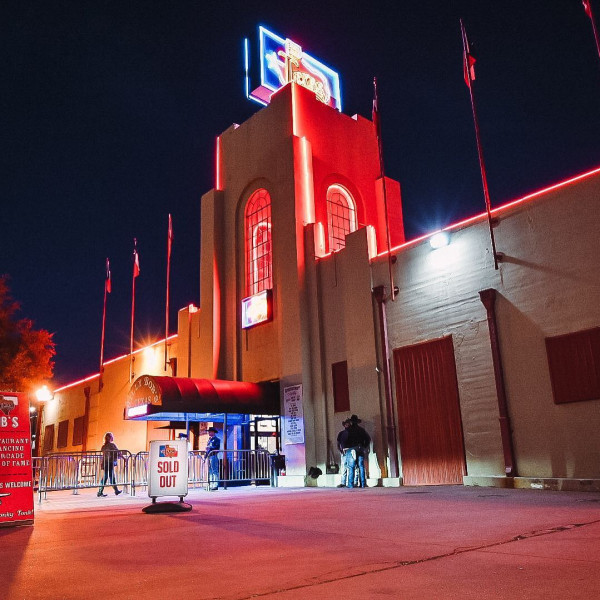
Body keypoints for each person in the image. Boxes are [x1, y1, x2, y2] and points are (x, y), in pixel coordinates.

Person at [340, 414, 371, 488]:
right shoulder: (361, 430)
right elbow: (368, 439)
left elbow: (343, 440)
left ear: (351, 422)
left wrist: (345, 448)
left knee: (351, 467)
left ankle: (350, 484)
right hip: (360, 448)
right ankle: (363, 483)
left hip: (351, 449)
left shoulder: (348, 430)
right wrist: (364, 446)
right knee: (361, 466)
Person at [97, 432, 122, 497]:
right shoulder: (112, 445)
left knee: (106, 476)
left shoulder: (103, 446)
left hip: (105, 463)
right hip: (110, 462)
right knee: (110, 476)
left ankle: (101, 491)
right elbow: (118, 452)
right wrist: (123, 457)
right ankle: (115, 490)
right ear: (111, 438)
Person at [205, 426, 221, 490]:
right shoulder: (210, 439)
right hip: (209, 456)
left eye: (210, 432)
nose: (209, 433)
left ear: (213, 432)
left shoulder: (217, 439)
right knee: (210, 470)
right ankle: (211, 484)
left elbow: (217, 447)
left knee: (214, 470)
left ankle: (215, 484)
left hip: (213, 455)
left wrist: (210, 447)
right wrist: (205, 457)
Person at [336, 419, 350, 487]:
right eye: (346, 424)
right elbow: (338, 443)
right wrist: (340, 450)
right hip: (344, 450)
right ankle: (343, 482)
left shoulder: (352, 433)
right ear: (344, 425)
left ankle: (351, 482)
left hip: (350, 450)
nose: (347, 426)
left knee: (351, 467)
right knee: (344, 467)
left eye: (348, 424)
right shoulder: (341, 433)